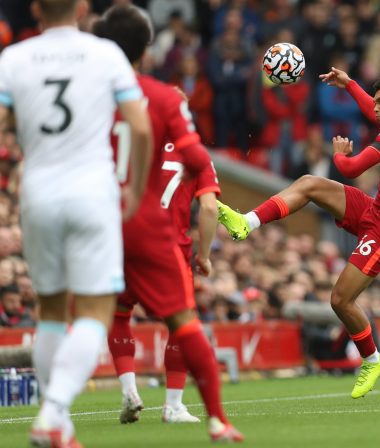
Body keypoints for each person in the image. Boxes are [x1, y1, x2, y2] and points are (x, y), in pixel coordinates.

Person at [218, 66, 380, 399]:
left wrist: (339, 155)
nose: (375, 109)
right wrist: (349, 84)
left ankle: (373, 360)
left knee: (339, 299)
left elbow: (350, 168)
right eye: (374, 103)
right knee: (309, 184)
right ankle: (248, 223)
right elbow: (373, 112)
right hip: (377, 211)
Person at [0, 1, 152, 446]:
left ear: (35, 8)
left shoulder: (13, 59)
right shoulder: (104, 55)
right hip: (92, 192)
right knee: (94, 311)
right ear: (83, 7)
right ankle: (53, 412)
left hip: (38, 192)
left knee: (49, 311)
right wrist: (135, 187)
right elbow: (140, 129)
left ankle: (60, 425)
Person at [93, 6, 242, 442]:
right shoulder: (162, 100)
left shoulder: (92, 97)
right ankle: (200, 412)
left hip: (99, 225)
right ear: (147, 48)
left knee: (92, 316)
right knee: (184, 321)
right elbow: (208, 202)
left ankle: (73, 407)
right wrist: (203, 255)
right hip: (158, 234)